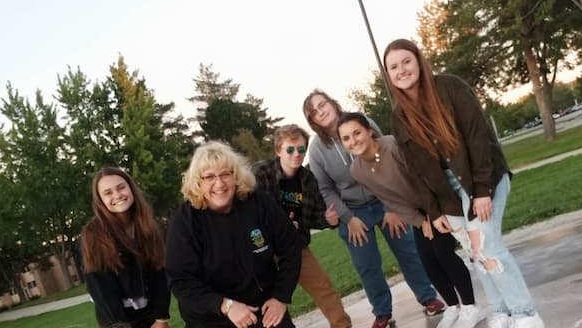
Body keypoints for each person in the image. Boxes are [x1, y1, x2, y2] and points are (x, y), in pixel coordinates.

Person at [382, 38, 545, 328]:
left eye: (406, 61)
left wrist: (482, 190)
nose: (402, 70)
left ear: (418, 60)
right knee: (474, 253)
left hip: (480, 178)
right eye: (393, 66)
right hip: (446, 193)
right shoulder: (400, 116)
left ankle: (526, 314)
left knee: (488, 247)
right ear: (388, 74)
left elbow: (478, 138)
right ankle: (502, 310)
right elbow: (415, 168)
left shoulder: (451, 87)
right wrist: (433, 211)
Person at [302, 90, 445, 328]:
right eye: (314, 112)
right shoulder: (317, 149)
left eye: (322, 104)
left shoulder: (362, 122)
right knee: (366, 265)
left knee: (408, 252)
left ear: (332, 102)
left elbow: (388, 159)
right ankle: (382, 312)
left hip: (385, 200)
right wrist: (349, 219)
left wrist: (391, 207)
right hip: (352, 210)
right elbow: (325, 189)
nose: (321, 111)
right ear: (312, 121)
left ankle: (428, 297)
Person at [336, 112, 480, 328]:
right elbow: (389, 199)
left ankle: (470, 307)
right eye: (346, 138)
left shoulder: (393, 146)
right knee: (426, 260)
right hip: (417, 213)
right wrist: (419, 220)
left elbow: (422, 179)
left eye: (357, 133)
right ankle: (453, 306)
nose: (353, 140)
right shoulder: (357, 170)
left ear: (370, 131)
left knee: (442, 252)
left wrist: (430, 216)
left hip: (438, 201)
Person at [166, 141, 302, 328]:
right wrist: (225, 305)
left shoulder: (258, 202)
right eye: (209, 177)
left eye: (225, 174)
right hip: (212, 318)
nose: (219, 183)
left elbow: (291, 247)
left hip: (264, 308)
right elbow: (180, 280)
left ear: (236, 176)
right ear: (198, 182)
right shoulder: (185, 221)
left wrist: (281, 297)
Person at [252, 124, 352, 328]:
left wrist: (329, 220)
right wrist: (279, 223)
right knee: (265, 303)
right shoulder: (260, 173)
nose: (296, 154)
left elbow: (315, 217)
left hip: (294, 247)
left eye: (301, 149)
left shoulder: (307, 178)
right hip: (263, 250)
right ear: (278, 150)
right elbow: (248, 213)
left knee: (325, 290)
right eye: (290, 149)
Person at [79, 167, 171, 328]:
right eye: (108, 193)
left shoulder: (147, 227)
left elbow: (159, 274)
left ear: (131, 188)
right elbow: (102, 292)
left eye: (121, 187)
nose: (117, 195)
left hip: (150, 316)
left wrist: (161, 318)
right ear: (100, 200)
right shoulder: (94, 235)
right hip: (118, 321)